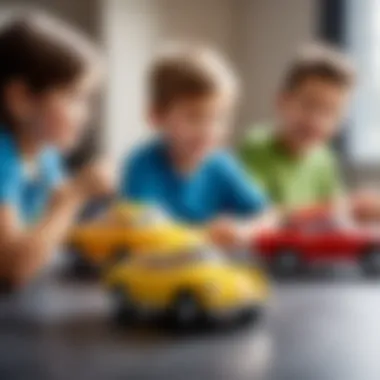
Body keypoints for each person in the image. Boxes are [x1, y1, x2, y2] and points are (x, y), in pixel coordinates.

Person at [0, 12, 115, 287]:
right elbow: (12, 266)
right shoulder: (3, 157)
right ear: (21, 99)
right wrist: (77, 194)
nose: (85, 115)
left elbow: (58, 230)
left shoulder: (45, 156)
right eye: (74, 97)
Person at [120, 45, 272, 248]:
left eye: (219, 118)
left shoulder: (222, 165)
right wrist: (207, 234)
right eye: (194, 117)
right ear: (156, 115)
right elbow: (143, 228)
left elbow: (268, 215)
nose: (208, 130)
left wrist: (244, 230)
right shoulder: (142, 165)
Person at [237, 44, 355, 211]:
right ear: (282, 101)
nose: (316, 120)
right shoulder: (257, 146)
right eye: (309, 104)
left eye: (330, 111)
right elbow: (257, 212)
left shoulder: (325, 159)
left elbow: (336, 213)